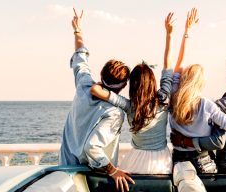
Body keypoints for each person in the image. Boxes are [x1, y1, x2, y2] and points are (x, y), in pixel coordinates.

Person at [169, 8, 226, 192]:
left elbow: (179, 62)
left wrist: (187, 31)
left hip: (178, 161)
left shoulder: (174, 95)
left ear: (184, 78)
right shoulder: (207, 105)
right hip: (203, 163)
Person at [89, 12, 175, 174]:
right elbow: (168, 65)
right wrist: (169, 34)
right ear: (152, 82)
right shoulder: (164, 99)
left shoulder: (129, 106)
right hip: (161, 162)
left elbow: (95, 90)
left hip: (136, 160)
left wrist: (104, 83)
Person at [58, 8, 134, 192]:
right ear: (123, 86)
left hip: (64, 172)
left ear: (102, 74)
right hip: (90, 180)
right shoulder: (114, 113)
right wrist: (112, 170)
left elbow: (80, 58)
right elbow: (92, 148)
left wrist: (77, 30)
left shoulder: (83, 85)